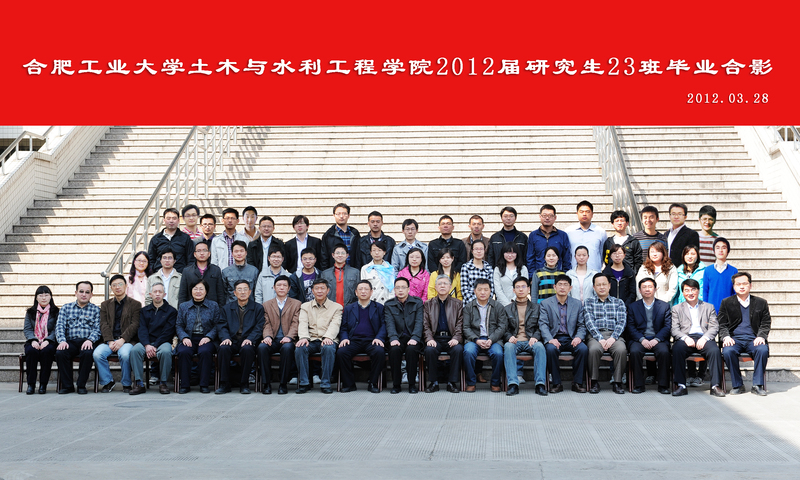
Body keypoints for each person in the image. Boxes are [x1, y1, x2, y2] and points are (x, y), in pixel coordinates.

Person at [670, 279, 725, 397]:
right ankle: (681, 385)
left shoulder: (708, 307)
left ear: (698, 291)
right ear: (683, 292)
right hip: (686, 338)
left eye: (693, 289)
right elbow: (674, 329)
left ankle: (715, 386)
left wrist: (705, 338)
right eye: (687, 290)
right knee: (677, 349)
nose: (690, 293)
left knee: (715, 351)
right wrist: (685, 338)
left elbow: (714, 326)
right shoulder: (677, 308)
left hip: (703, 337)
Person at [720, 272, 770, 396]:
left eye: (745, 283)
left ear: (750, 285)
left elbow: (766, 322)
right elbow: (721, 323)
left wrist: (761, 336)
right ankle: (738, 385)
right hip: (734, 339)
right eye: (738, 284)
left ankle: (757, 385)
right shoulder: (726, 302)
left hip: (753, 339)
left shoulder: (761, 302)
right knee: (728, 351)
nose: (741, 286)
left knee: (762, 350)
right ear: (734, 286)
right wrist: (726, 337)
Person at [539, 275, 588, 393]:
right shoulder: (546, 303)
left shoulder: (577, 304)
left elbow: (582, 325)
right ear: (554, 287)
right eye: (560, 284)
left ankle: (577, 382)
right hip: (554, 337)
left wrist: (578, 337)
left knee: (583, 349)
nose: (562, 287)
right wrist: (550, 339)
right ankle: (556, 383)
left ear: (570, 288)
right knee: (550, 350)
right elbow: (543, 324)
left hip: (571, 338)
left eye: (565, 285)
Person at [215, 280, 264, 394]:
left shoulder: (258, 308)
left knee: (247, 349)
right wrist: (225, 338)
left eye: (245, 289)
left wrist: (250, 339)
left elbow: (259, 327)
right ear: (234, 293)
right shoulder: (227, 308)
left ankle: (244, 384)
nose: (242, 292)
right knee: (223, 348)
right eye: (239, 290)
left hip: (247, 340)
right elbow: (221, 325)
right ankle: (224, 384)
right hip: (232, 339)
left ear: (250, 292)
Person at [337, 280, 387, 393]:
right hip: (353, 340)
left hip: (372, 340)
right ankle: (349, 384)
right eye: (360, 289)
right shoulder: (349, 308)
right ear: (356, 292)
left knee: (379, 352)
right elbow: (343, 327)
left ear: (371, 292)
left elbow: (384, 325)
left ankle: (373, 383)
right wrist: (344, 338)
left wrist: (379, 338)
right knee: (342, 352)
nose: (363, 291)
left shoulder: (379, 307)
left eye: (366, 289)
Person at [295, 278, 343, 394]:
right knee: (300, 348)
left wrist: (328, 337)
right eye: (316, 288)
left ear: (328, 290)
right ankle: (304, 383)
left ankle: (325, 383)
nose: (319, 291)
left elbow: (335, 324)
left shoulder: (336, 307)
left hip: (328, 339)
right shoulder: (305, 306)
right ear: (312, 291)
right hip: (311, 339)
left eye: (322, 288)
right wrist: (304, 338)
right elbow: (302, 323)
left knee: (328, 348)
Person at [94, 274, 141, 393]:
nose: (117, 287)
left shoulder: (135, 304)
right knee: (97, 354)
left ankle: (126, 383)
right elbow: (103, 324)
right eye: (114, 285)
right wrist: (110, 341)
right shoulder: (105, 304)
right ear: (111, 288)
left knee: (125, 354)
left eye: (120, 284)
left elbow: (134, 324)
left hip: (127, 340)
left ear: (126, 286)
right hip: (109, 340)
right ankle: (108, 381)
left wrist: (122, 339)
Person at [175, 279, 222, 394]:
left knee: (205, 352)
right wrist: (184, 337)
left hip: (207, 338)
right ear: (191, 291)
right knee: (184, 352)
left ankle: (204, 384)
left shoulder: (213, 306)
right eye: (195, 289)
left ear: (206, 291)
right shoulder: (183, 306)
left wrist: (209, 337)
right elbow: (179, 325)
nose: (198, 291)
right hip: (189, 338)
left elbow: (217, 325)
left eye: (201, 289)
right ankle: (185, 385)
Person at [626, 277, 672, 394]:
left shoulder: (664, 306)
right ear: (639, 290)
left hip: (658, 339)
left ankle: (663, 385)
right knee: (635, 352)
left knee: (664, 352)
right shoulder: (633, 306)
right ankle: (638, 385)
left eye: (650, 287)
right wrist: (642, 339)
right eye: (644, 287)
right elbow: (630, 327)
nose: (647, 289)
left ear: (655, 289)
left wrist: (657, 339)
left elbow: (667, 326)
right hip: (639, 339)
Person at [129, 282, 176, 395]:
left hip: (163, 342)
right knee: (135, 351)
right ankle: (139, 383)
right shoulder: (144, 311)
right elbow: (142, 329)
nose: (157, 294)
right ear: (150, 294)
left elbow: (168, 332)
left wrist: (155, 345)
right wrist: (147, 345)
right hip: (146, 342)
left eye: (160, 292)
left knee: (166, 352)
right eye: (155, 292)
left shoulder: (171, 311)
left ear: (164, 294)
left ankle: (163, 383)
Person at [584, 274, 627, 394]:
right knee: (593, 350)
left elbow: (622, 321)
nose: (601, 287)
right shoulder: (589, 302)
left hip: (614, 335)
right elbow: (589, 322)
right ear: (594, 287)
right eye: (598, 285)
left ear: (609, 286)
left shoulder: (618, 302)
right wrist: (600, 338)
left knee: (621, 350)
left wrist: (613, 337)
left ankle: (617, 382)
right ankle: (594, 381)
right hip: (595, 335)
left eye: (604, 284)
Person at [503, 277, 547, 396]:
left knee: (540, 347)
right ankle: (513, 384)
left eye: (523, 287)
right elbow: (504, 328)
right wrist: (509, 337)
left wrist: (536, 336)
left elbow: (541, 326)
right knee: (508, 347)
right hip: (515, 341)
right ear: (513, 290)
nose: (521, 289)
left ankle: (540, 384)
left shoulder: (537, 308)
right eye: (517, 287)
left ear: (528, 289)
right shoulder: (507, 309)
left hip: (531, 340)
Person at [55, 281, 101, 394]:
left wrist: (90, 340)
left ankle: (81, 385)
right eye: (81, 291)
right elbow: (60, 326)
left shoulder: (96, 310)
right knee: (61, 353)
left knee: (87, 352)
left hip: (87, 341)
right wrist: (62, 341)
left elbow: (98, 328)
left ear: (91, 295)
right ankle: (67, 386)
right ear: (76, 293)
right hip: (70, 341)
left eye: (87, 292)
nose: (84, 294)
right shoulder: (66, 308)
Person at [259, 275, 300, 395]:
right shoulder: (266, 305)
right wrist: (267, 336)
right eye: (279, 285)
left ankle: (283, 383)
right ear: (274, 287)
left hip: (288, 339)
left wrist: (289, 337)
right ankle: (266, 383)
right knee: (262, 348)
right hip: (272, 339)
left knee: (287, 348)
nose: (281, 288)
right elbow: (266, 323)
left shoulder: (296, 304)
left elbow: (296, 323)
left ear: (289, 288)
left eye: (284, 285)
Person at [462, 279, 506, 392]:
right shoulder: (468, 307)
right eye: (480, 289)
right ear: (474, 291)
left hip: (493, 339)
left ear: (490, 291)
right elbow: (466, 327)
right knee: (468, 352)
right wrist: (476, 339)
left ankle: (495, 382)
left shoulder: (498, 306)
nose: (483, 292)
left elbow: (502, 326)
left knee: (498, 353)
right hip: (474, 339)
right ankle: (471, 382)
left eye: (486, 289)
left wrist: (491, 339)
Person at [422, 275, 463, 393]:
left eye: (445, 284)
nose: (442, 286)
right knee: (429, 350)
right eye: (439, 284)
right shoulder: (428, 304)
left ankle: (452, 382)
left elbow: (460, 323)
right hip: (435, 338)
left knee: (458, 349)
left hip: (451, 337)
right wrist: (429, 338)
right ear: (435, 287)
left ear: (450, 287)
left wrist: (456, 338)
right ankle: (434, 382)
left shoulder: (458, 304)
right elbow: (425, 324)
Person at [384, 277, 424, 394]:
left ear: (408, 289)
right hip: (397, 337)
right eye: (397, 288)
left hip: (413, 337)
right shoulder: (389, 304)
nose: (400, 290)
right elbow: (389, 323)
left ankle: (412, 384)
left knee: (412, 350)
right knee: (394, 350)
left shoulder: (417, 303)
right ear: (394, 290)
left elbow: (419, 322)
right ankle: (396, 384)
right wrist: (393, 338)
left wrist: (415, 337)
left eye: (403, 287)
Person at [23, 286, 59, 394]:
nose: (44, 298)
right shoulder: (30, 312)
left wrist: (47, 340)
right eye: (41, 295)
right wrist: (33, 340)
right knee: (31, 351)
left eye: (46, 295)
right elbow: (27, 329)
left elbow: (57, 329)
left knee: (46, 351)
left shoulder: (56, 312)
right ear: (36, 297)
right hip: (33, 341)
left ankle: (43, 384)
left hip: (50, 341)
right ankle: (31, 384)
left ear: (50, 297)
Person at [178, 240, 226, 306]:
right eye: (198, 251)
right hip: (192, 308)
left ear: (209, 253)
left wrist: (220, 309)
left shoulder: (216, 270)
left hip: (212, 308)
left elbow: (220, 293)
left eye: (204, 250)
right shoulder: (187, 271)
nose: (202, 253)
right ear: (194, 254)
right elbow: (182, 294)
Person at [148, 208, 195, 273]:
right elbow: (151, 260)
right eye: (168, 218)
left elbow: (191, 260)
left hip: (180, 275)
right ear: (164, 220)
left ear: (178, 220)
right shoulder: (156, 239)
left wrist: (186, 274)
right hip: (159, 275)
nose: (171, 221)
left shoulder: (185, 238)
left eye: (174, 218)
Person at [527, 204, 571, 273]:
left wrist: (565, 275)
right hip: (539, 275)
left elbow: (566, 258)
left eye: (550, 215)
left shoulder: (562, 235)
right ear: (540, 216)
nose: (547, 218)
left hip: (558, 275)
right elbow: (530, 258)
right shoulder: (533, 235)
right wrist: (532, 276)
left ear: (555, 217)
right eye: (544, 215)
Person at [565, 200, 607, 272]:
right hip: (574, 273)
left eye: (587, 212)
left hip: (594, 273)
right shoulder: (569, 231)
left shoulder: (600, 232)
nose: (584, 214)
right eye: (581, 212)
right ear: (577, 214)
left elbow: (602, 253)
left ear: (592, 214)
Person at [321, 203, 362, 270]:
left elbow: (358, 255)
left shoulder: (354, 233)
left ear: (348, 215)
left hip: (352, 271)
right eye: (338, 214)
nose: (341, 216)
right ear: (334, 215)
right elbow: (324, 258)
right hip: (334, 272)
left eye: (344, 213)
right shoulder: (328, 235)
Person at [703, 237, 737, 314]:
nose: (720, 250)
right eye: (717, 248)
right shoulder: (708, 270)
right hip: (711, 311)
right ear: (714, 251)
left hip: (728, 311)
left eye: (724, 248)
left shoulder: (733, 271)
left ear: (728, 251)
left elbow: (735, 292)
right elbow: (705, 291)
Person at [222, 240, 259, 304]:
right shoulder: (225, 272)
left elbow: (256, 292)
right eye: (236, 251)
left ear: (246, 253)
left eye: (241, 251)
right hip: (231, 306)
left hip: (250, 306)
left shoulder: (254, 271)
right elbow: (224, 293)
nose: (239, 254)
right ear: (232, 253)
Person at [494, 242, 530, 306]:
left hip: (520, 304)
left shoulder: (523, 268)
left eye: (513, 253)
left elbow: (525, 287)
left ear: (517, 254)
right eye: (507, 252)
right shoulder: (498, 269)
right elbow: (498, 290)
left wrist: (514, 301)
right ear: (503, 253)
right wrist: (507, 304)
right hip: (502, 305)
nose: (510, 255)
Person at [666, 203, 700, 268]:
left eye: (680, 214)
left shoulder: (692, 234)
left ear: (685, 217)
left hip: (682, 271)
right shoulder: (666, 234)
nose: (676, 217)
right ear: (670, 216)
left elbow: (693, 257)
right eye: (673, 214)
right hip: (666, 271)